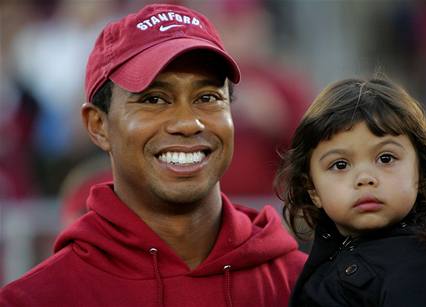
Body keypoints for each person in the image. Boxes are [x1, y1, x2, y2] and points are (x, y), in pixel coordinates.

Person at [0, 3, 307, 306]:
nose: (189, 122)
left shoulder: (308, 288)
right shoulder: (35, 299)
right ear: (98, 126)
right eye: (154, 99)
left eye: (207, 97)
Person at [275, 77, 426, 306]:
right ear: (313, 189)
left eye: (385, 158)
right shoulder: (322, 264)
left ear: (420, 172)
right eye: (340, 165)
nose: (365, 178)